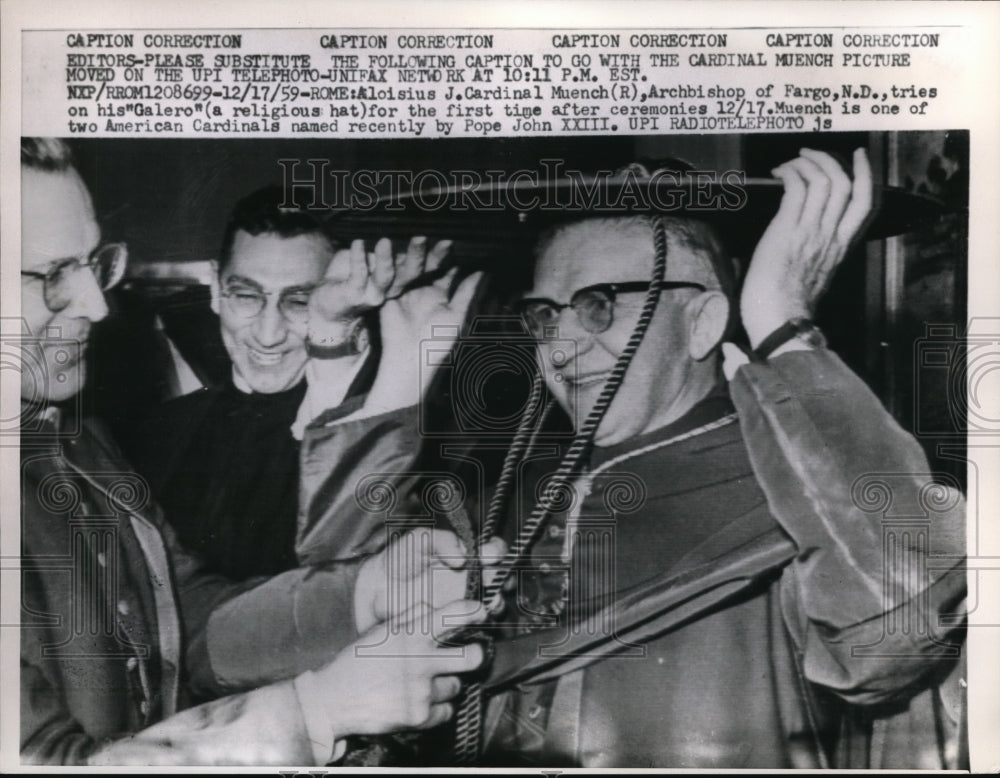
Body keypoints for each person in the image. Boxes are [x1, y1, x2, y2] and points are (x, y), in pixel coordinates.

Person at [288, 148, 967, 767]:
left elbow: (896, 638)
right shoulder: (510, 499)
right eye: (546, 315)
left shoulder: (806, 486)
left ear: (703, 322)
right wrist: (395, 374)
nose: (562, 346)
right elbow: (331, 608)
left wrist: (782, 324)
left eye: (599, 306)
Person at [18, 137, 492, 765]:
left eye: (92, 265)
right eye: (53, 275)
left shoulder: (76, 441)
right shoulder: (130, 428)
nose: (97, 304)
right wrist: (314, 713)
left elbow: (185, 617)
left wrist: (365, 592)